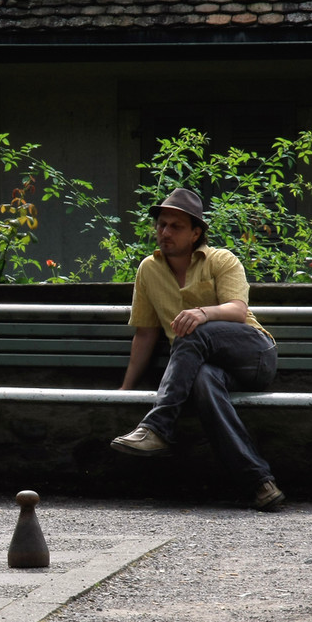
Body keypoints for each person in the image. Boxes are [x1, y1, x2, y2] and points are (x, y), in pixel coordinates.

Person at [110, 187, 285, 511]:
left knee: (191, 330)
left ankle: (158, 427)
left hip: (253, 354)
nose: (165, 232)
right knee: (203, 381)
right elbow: (146, 334)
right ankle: (261, 482)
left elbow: (236, 309)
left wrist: (203, 312)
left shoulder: (221, 259)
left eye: (175, 226)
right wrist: (125, 388)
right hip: (208, 366)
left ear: (195, 233)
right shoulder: (149, 269)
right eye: (162, 224)